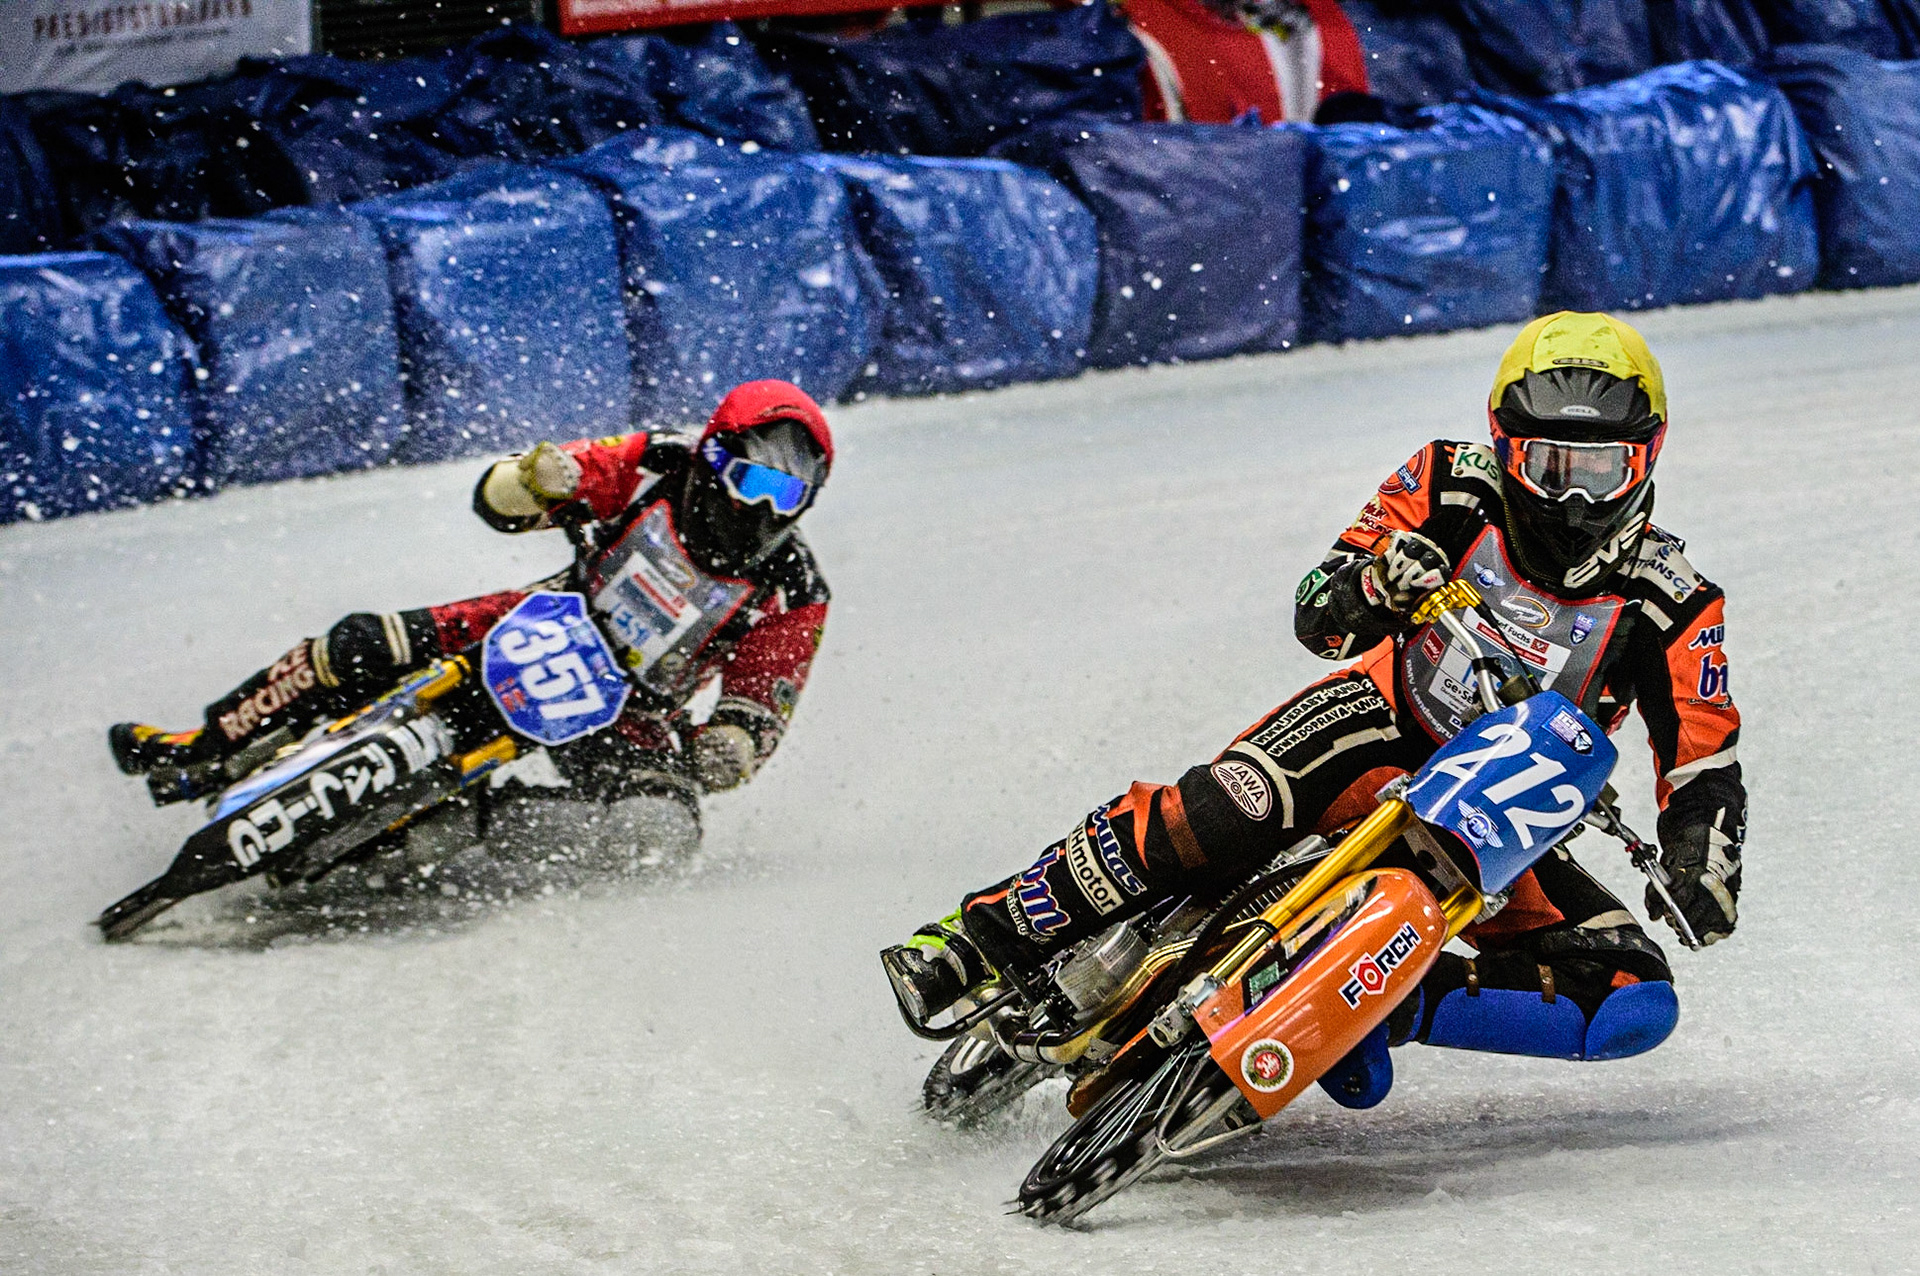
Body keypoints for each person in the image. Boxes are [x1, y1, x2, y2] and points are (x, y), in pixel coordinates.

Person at [883, 312, 1744, 1081]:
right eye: (1545, 463)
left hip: (1503, 811)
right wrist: (1376, 583)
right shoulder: (1448, 482)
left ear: (1648, 455)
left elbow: (1704, 761)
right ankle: (974, 940)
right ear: (1501, 443)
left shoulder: (1673, 597)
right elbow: (1316, 613)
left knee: (1631, 995)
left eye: (1598, 468)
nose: (1569, 497)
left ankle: (1367, 1008)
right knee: (1222, 811)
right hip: (1378, 726)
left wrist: (1701, 859)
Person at [109, 379, 833, 816]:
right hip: (539, 621)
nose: (763, 509)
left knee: (655, 829)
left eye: (787, 493)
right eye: (753, 480)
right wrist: (532, 482)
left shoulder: (794, 589)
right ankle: (205, 745)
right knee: (356, 644)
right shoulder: (656, 464)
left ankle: (475, 836)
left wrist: (729, 748)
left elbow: (762, 699)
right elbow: (515, 499)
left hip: (632, 710)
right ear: (714, 455)